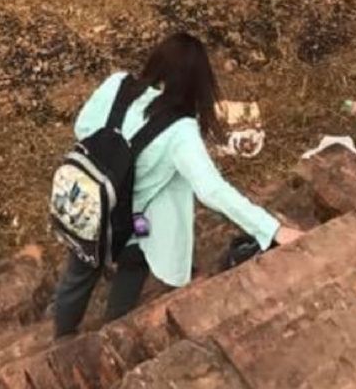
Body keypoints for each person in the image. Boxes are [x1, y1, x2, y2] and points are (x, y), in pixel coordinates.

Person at [52, 32, 302, 337]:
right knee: (134, 266)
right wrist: (271, 229)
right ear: (197, 83)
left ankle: (62, 337)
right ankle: (112, 334)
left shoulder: (117, 84)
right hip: (132, 226)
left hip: (86, 210)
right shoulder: (180, 132)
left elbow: (83, 127)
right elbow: (212, 190)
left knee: (76, 276)